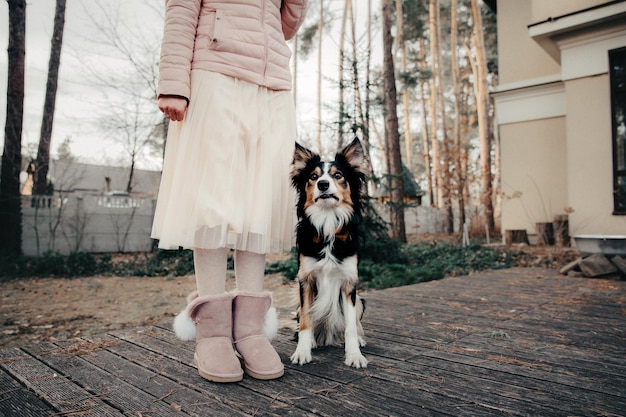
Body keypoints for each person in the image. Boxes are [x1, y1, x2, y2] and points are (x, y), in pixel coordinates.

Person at [152, 0, 308, 383]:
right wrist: (173, 83)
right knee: (213, 198)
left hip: (272, 84)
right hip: (215, 71)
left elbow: (285, 26)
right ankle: (214, 333)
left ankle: (251, 330)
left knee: (260, 201)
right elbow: (182, 11)